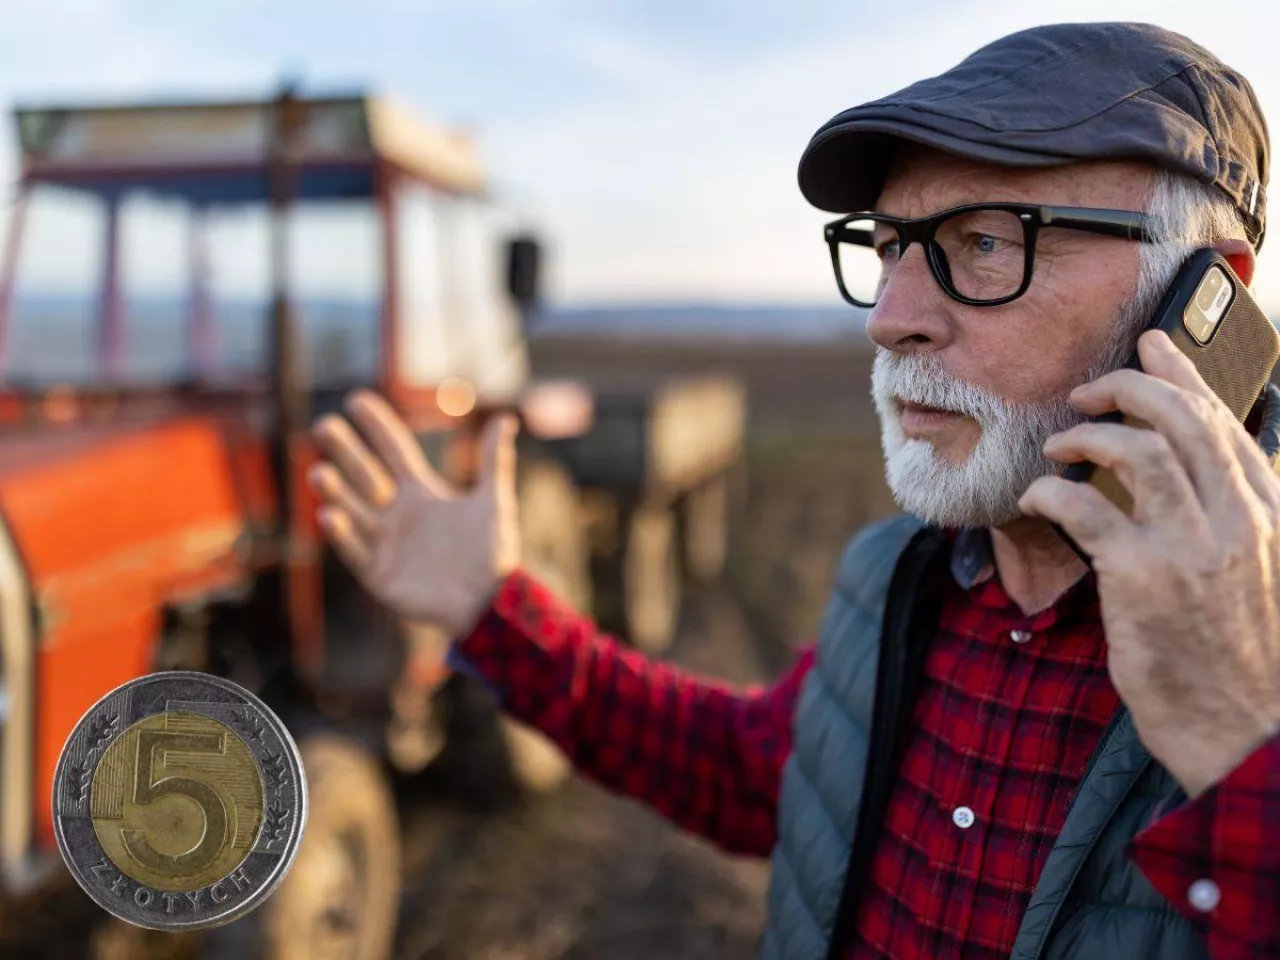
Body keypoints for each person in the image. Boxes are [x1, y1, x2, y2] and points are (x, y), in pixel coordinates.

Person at [308, 22, 1280, 960]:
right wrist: (491, 608)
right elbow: (763, 778)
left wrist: (1241, 747)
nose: (889, 318)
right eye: (887, 247)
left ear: (1204, 297)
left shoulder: (1255, 665)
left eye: (985, 241)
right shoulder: (896, 575)